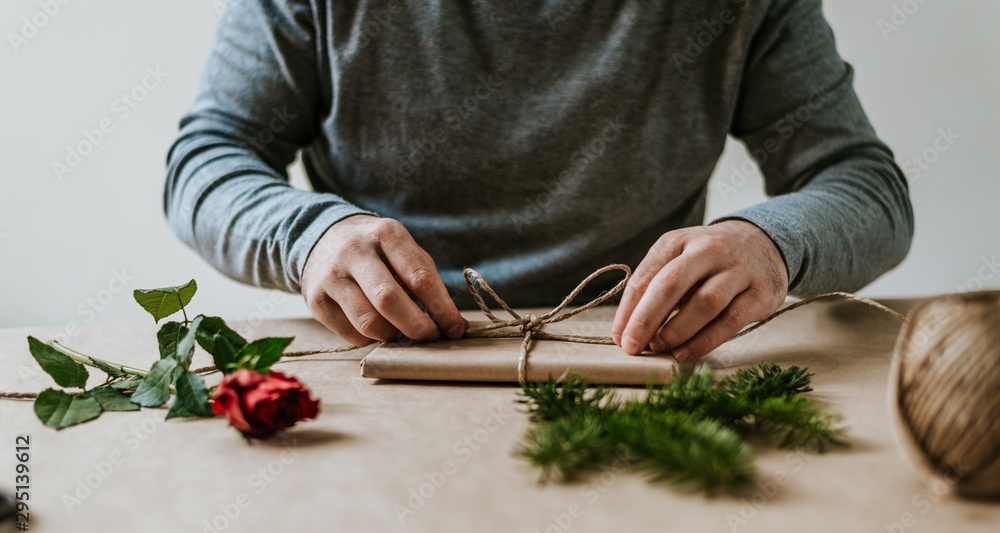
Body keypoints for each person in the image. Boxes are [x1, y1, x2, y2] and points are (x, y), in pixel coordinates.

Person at [164, 0, 913, 362]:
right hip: (382, 364)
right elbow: (208, 157)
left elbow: (862, 182)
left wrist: (771, 244)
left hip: (636, 370)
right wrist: (308, 236)